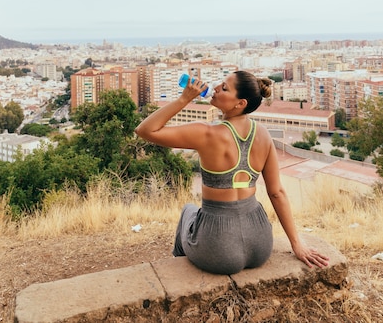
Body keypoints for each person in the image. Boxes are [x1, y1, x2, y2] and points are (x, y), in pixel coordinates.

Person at [135, 70, 329, 275]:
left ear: (240, 104)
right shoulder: (263, 134)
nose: (216, 88)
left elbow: (145, 130)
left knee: (187, 212)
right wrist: (297, 244)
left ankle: (177, 272)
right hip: (261, 243)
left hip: (219, 248)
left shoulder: (207, 133)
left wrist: (184, 99)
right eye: (220, 84)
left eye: (225, 88)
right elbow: (276, 193)